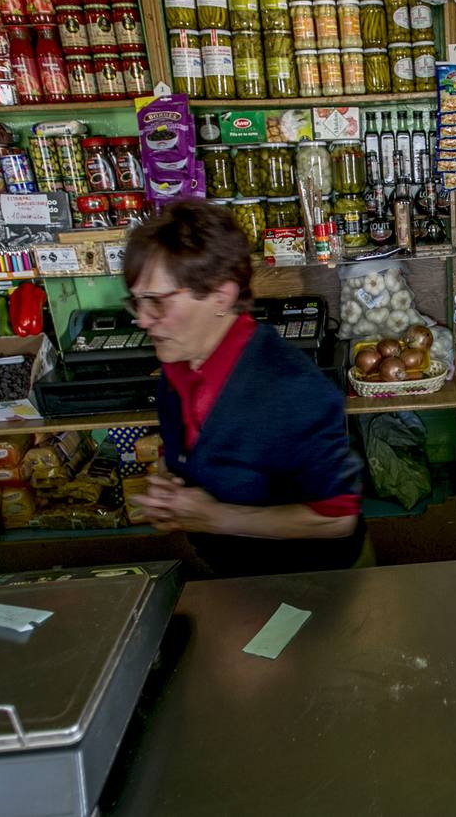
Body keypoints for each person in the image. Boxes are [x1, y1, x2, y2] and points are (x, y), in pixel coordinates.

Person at [125, 198, 365, 577]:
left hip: (314, 585)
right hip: (233, 577)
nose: (141, 320)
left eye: (155, 302)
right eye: (137, 302)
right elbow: (196, 456)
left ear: (221, 295)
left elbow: (336, 518)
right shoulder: (177, 370)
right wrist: (173, 487)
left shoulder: (294, 387)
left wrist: (217, 518)